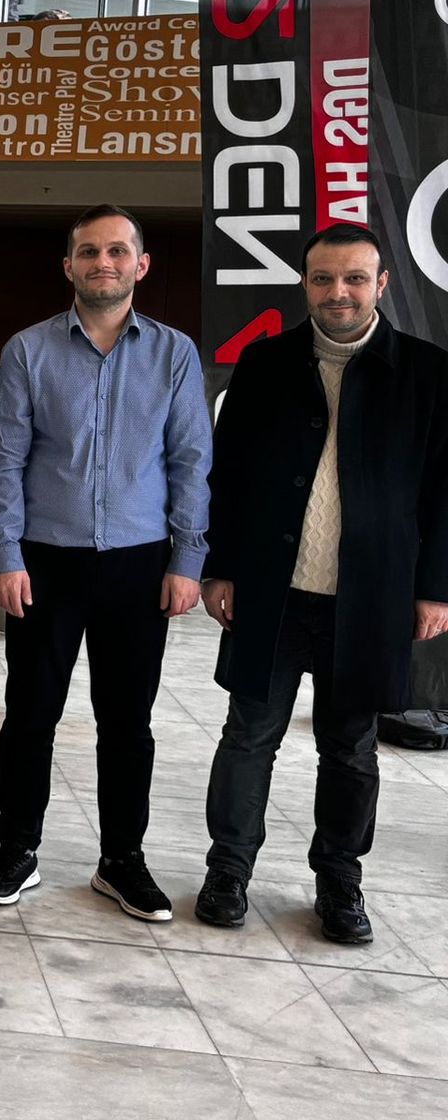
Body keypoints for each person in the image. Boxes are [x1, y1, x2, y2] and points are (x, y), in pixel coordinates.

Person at [196, 224, 448, 944]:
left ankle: (340, 880)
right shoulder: (265, 363)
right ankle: (228, 871)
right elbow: (228, 476)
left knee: (351, 749)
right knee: (248, 738)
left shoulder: (428, 372)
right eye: (323, 279)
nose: (338, 292)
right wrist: (219, 565)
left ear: (381, 284)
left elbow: (444, 493)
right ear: (305, 284)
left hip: (370, 600)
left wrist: (435, 588)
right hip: (272, 593)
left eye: (354, 279)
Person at [0, 205, 211, 921]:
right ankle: (18, 848)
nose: (102, 263)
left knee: (127, 722)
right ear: (69, 266)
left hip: (139, 565)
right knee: (29, 715)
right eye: (88, 252)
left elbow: (191, 462)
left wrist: (187, 558)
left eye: (116, 251)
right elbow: (6, 461)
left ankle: (122, 861)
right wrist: (4, 553)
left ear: (141, 264)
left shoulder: (174, 353)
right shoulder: (28, 351)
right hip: (45, 563)